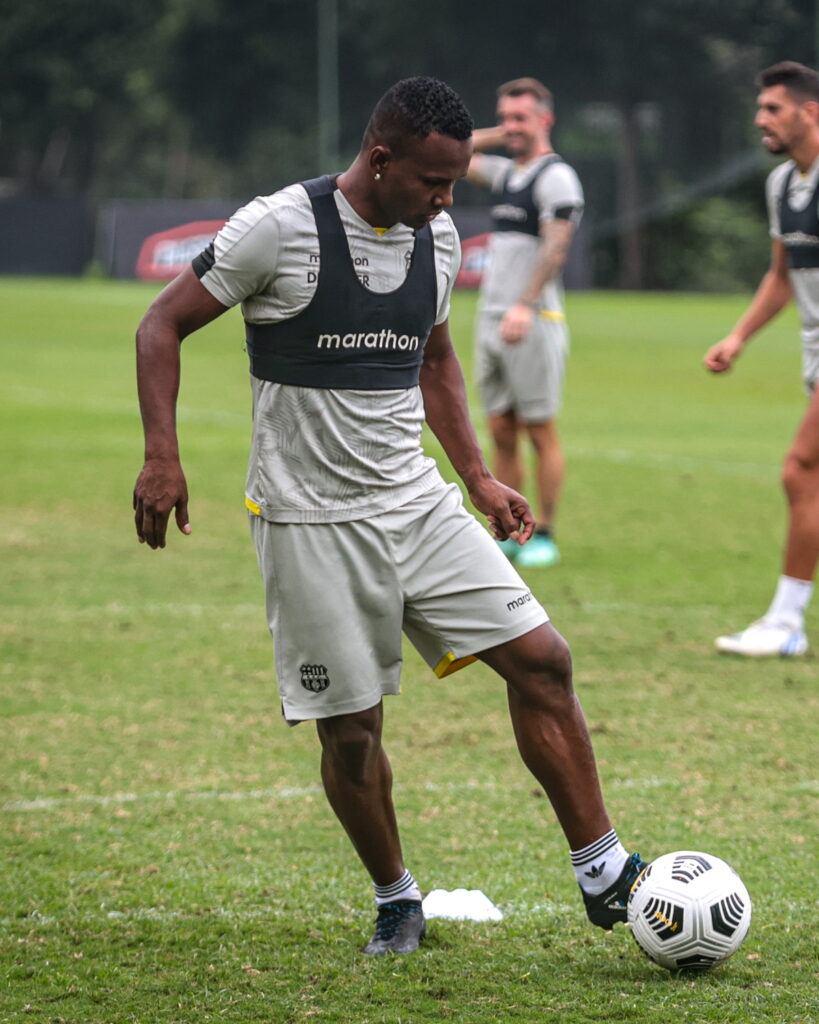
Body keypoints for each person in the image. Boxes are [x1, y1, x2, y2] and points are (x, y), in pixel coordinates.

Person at [133, 77, 643, 955]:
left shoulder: (432, 236)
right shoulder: (277, 228)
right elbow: (160, 325)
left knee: (542, 661)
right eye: (432, 182)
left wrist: (477, 477)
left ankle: (603, 872)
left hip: (415, 502)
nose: (447, 202)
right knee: (352, 734)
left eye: (454, 184)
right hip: (308, 521)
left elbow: (435, 358)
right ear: (379, 159)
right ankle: (396, 897)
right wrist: (161, 457)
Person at [705, 61, 819, 658]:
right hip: (812, 354)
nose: (760, 119)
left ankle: (785, 622)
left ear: (810, 112)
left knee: (801, 470)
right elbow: (782, 276)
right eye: (760, 108)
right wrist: (739, 337)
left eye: (773, 108)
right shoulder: (782, 185)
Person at [466, 78, 584, 569]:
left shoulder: (556, 178)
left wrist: (524, 305)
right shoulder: (506, 174)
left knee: (540, 431)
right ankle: (512, 530)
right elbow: (452, 149)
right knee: (500, 429)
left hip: (531, 319)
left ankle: (547, 534)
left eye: (521, 118)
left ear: (545, 120)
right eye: (504, 117)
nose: (511, 126)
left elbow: (556, 248)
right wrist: (504, 133)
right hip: (492, 318)